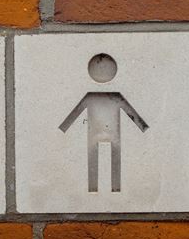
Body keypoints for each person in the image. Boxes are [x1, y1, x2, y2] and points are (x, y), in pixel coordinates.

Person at [60, 54, 148, 192]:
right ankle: (96, 187)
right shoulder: (98, 97)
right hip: (97, 133)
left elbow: (131, 113)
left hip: (110, 134)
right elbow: (75, 114)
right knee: (95, 159)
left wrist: (141, 125)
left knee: (113, 159)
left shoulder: (114, 97)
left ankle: (114, 187)